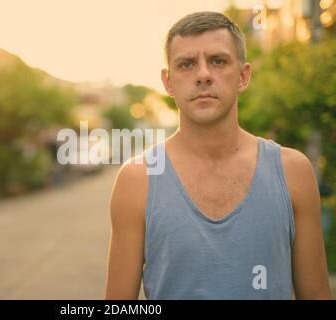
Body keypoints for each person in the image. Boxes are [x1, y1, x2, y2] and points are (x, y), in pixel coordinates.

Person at [105, 11, 332, 300]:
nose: (203, 75)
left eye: (218, 61)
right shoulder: (137, 180)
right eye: (186, 64)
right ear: (168, 82)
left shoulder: (292, 171)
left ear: (243, 75)